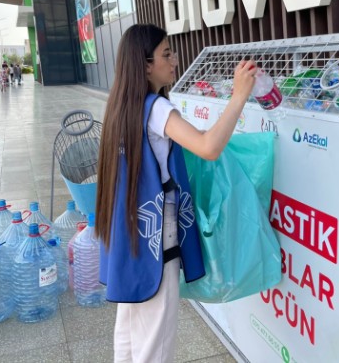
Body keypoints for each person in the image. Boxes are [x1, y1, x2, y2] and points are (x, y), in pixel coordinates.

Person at [95, 24, 256, 363]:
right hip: (157, 244)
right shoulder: (156, 109)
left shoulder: (119, 108)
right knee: (156, 346)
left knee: (128, 337)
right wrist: (239, 95)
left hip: (130, 240)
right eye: (167, 54)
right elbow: (208, 146)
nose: (175, 60)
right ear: (146, 64)